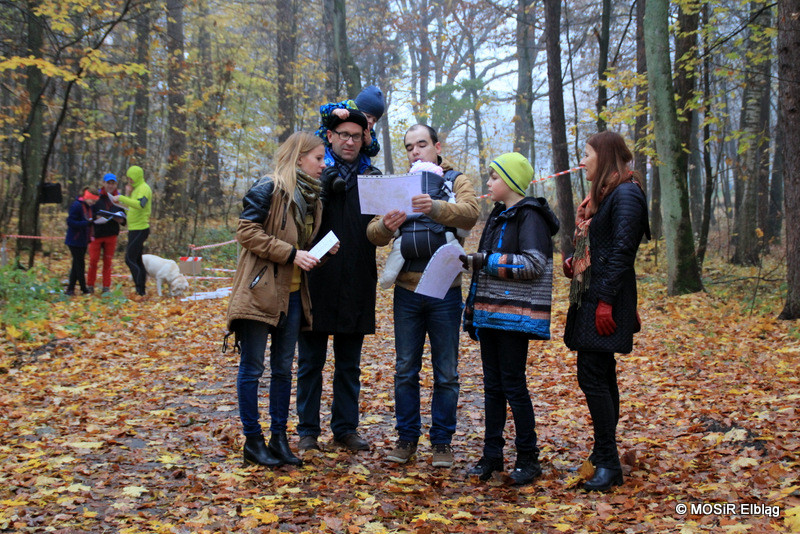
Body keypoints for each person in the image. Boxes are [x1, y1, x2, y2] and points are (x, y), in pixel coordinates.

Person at [367, 124, 479, 467]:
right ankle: (406, 439)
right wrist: (387, 224)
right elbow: (372, 233)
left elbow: (472, 213)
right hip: (406, 291)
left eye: (422, 145)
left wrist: (435, 207)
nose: (416, 152)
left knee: (446, 372)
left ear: (436, 146)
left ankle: (442, 443)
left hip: (446, 290)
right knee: (405, 369)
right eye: (409, 147)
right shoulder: (398, 184)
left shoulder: (455, 180)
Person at [225, 131, 333, 468]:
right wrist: (291, 254)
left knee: (284, 371)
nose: (323, 164)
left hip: (294, 296)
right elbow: (246, 232)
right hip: (259, 293)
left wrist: (322, 253)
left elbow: (301, 252)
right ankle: (252, 441)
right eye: (318, 158)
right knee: (252, 369)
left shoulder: (312, 198)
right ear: (299, 157)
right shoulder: (268, 188)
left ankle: (279, 439)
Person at [460, 153, 560, 485]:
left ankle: (528, 459)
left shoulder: (530, 217)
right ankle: (492, 457)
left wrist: (484, 260)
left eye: (493, 177)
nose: (488, 183)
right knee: (493, 388)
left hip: (515, 317)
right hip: (490, 316)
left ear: (511, 181)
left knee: (514, 386)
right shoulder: (499, 215)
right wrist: (472, 311)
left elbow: (532, 264)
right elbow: (487, 265)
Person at [562, 130, 650, 492]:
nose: (582, 161)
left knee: (593, 376)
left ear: (605, 156)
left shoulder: (627, 194)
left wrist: (605, 301)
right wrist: (576, 262)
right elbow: (601, 245)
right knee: (600, 374)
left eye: (587, 154)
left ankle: (609, 462)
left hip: (605, 298)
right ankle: (603, 453)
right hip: (596, 293)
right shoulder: (606, 196)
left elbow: (622, 254)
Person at [296, 110, 382, 453]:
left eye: (356, 136)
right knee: (310, 363)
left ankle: (345, 429)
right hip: (315, 278)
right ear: (329, 136)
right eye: (343, 134)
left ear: (365, 140)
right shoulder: (313, 174)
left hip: (358, 277)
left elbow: (381, 232)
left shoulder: (372, 178)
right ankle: (307, 431)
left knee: (349, 365)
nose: (349, 141)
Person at [315, 85, 385, 168]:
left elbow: (374, 151)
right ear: (358, 108)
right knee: (324, 155)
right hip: (324, 143)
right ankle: (330, 171)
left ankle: (366, 172)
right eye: (368, 116)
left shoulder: (368, 131)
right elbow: (324, 109)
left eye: (374, 120)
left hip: (353, 159)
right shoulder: (345, 107)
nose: (370, 121)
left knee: (364, 158)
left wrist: (369, 142)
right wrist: (335, 111)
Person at [111, 165, 152, 297]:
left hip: (141, 228)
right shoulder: (135, 190)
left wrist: (122, 197)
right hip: (133, 228)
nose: (129, 181)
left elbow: (140, 205)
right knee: (138, 260)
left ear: (137, 177)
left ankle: (139, 288)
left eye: (131, 178)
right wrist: (127, 195)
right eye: (128, 179)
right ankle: (141, 291)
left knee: (129, 259)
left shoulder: (144, 189)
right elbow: (131, 205)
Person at [88, 173, 125, 294]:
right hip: (97, 233)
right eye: (108, 183)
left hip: (111, 234)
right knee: (93, 260)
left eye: (112, 183)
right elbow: (88, 212)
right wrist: (95, 216)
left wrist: (120, 219)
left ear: (116, 185)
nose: (110, 185)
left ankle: (106, 287)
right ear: (103, 183)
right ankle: (90, 285)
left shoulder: (119, 198)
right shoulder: (96, 196)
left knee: (108, 262)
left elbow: (124, 217)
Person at [64, 188, 99, 296]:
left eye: (94, 202)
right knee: (80, 265)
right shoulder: (77, 205)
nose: (93, 203)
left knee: (76, 264)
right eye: (92, 201)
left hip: (83, 240)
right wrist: (85, 224)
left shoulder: (88, 207)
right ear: (87, 197)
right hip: (74, 240)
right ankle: (84, 288)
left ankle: (70, 289)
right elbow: (70, 221)